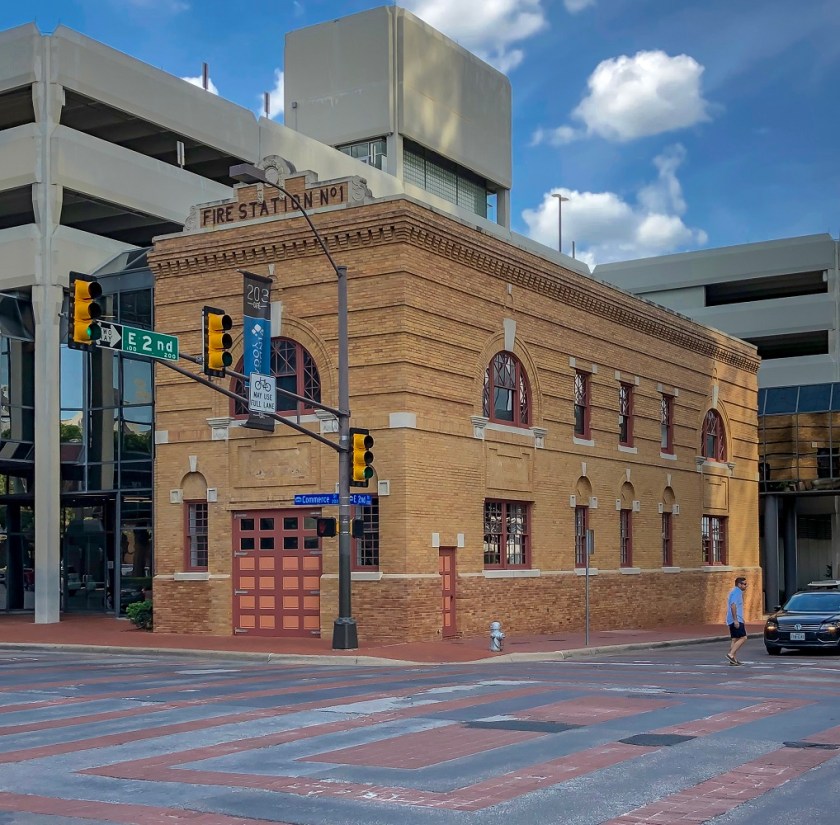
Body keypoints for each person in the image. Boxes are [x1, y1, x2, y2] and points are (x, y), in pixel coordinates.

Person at [726, 576, 748, 665]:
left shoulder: (733, 591)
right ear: (739, 584)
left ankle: (733, 659)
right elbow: (733, 605)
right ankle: (730, 654)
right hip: (736, 619)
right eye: (744, 584)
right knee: (743, 637)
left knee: (734, 639)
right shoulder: (737, 592)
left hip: (731, 618)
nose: (746, 586)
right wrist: (736, 620)